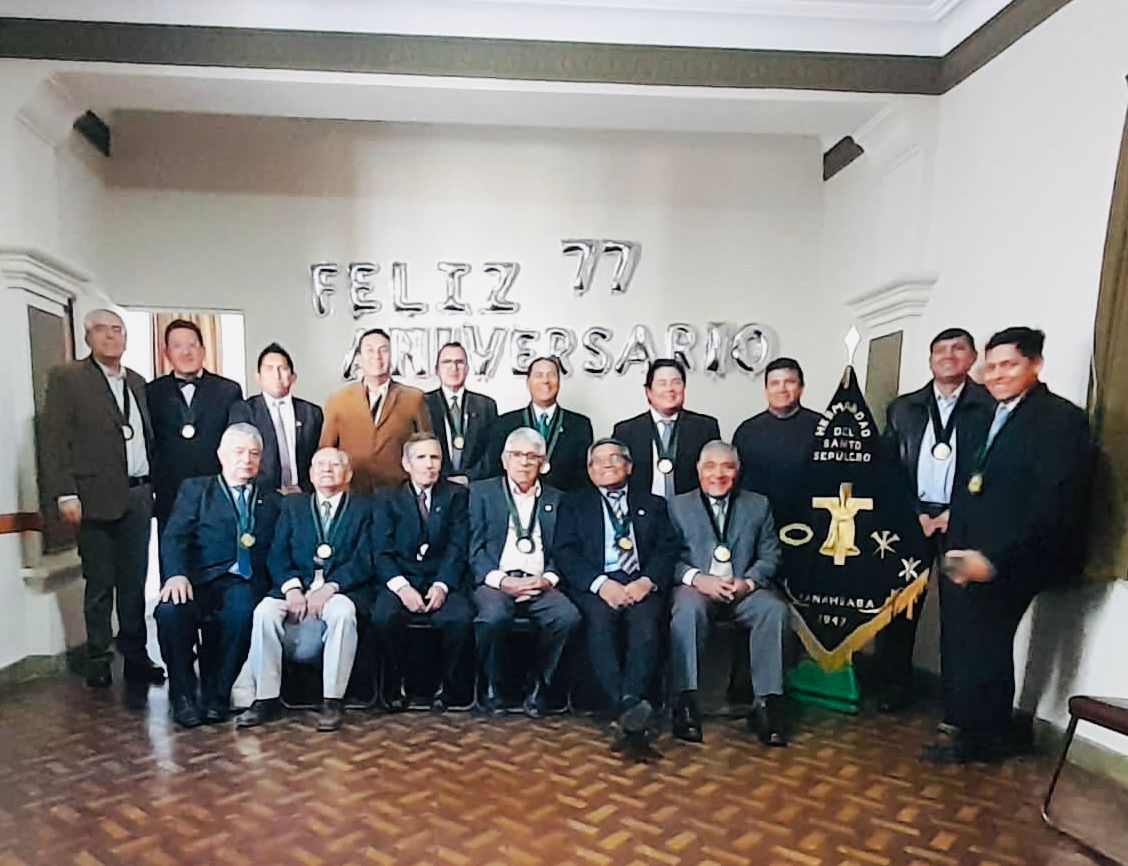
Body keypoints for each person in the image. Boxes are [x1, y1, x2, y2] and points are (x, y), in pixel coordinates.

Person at [926, 327, 1090, 764]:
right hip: (968, 548)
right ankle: (965, 727)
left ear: (1035, 364)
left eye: (1009, 365)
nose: (997, 375)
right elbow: (968, 485)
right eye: (992, 366)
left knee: (988, 643)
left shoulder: (1059, 420)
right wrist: (956, 546)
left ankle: (986, 740)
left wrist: (995, 560)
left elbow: (1050, 501)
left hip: (1017, 555)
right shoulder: (981, 415)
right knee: (965, 641)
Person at [42, 309, 164, 688]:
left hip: (139, 495)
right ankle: (97, 656)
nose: (112, 337)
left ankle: (136, 657)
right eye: (102, 331)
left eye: (118, 330)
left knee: (134, 582)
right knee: (100, 582)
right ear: (87, 337)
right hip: (92, 496)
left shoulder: (139, 382)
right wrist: (65, 493)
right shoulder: (68, 379)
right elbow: (54, 441)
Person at [876, 328, 994, 713]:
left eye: (958, 348)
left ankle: (955, 701)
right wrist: (914, 515)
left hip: (962, 523)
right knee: (900, 606)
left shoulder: (990, 407)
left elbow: (992, 471)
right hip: (914, 520)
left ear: (972, 357)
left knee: (961, 610)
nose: (948, 355)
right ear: (929, 360)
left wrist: (953, 513)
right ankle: (892, 687)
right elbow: (887, 471)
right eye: (939, 350)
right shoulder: (903, 408)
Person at [553, 438, 680, 748]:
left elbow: (667, 549)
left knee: (647, 627)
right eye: (599, 460)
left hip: (639, 582)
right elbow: (565, 552)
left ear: (630, 467)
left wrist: (646, 582)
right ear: (589, 469)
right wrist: (601, 584)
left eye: (615, 458)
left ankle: (627, 703)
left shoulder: (653, 504)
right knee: (599, 624)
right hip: (598, 583)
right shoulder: (573, 503)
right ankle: (627, 705)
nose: (608, 465)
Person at [236, 448, 373, 732]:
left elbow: (365, 559)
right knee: (264, 612)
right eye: (320, 464)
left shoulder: (364, 508)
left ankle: (332, 700)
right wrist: (293, 589)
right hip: (295, 588)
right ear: (310, 474)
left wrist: (331, 588)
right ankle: (266, 698)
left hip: (340, 589)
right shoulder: (293, 506)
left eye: (334, 465)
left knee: (344, 614)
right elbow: (277, 553)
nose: (327, 469)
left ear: (347, 474)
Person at [155, 423, 281, 728]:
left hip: (243, 580)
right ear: (221, 455)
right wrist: (175, 575)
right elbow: (174, 537)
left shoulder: (273, 498)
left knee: (242, 613)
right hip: (197, 579)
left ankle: (217, 696)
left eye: (253, 454)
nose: (246, 460)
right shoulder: (197, 489)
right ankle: (183, 695)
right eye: (238, 452)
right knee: (170, 612)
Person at [667, 441, 788, 745]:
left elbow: (771, 555)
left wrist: (748, 582)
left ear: (737, 471)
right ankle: (686, 703)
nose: (718, 474)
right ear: (698, 470)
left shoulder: (758, 504)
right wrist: (698, 579)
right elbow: (666, 559)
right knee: (687, 611)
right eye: (710, 466)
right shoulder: (676, 506)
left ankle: (766, 705)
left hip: (742, 590)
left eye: (727, 467)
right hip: (696, 589)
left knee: (774, 610)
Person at [469, 427, 581, 717]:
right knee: (493, 618)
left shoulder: (559, 499)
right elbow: (473, 548)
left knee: (567, 618)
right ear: (504, 460)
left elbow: (565, 550)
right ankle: (496, 686)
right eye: (517, 455)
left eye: (532, 457)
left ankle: (539, 684)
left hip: (541, 582)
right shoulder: (481, 493)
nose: (524, 462)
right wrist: (502, 581)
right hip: (496, 580)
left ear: (543, 464)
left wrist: (547, 580)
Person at [369, 433, 474, 711]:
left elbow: (458, 546)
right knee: (383, 618)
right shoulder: (386, 497)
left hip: (442, 578)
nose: (429, 465)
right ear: (406, 464)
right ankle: (397, 684)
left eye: (435, 457)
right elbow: (381, 550)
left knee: (459, 619)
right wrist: (402, 589)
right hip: (401, 578)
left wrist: (441, 585)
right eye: (421, 457)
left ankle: (446, 687)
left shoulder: (456, 495)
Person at [147, 318, 243, 530]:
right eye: (177, 346)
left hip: (216, 492)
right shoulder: (152, 392)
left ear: (203, 350)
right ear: (166, 353)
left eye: (192, 345)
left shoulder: (228, 390)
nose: (186, 352)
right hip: (170, 493)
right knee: (173, 557)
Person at [320, 328, 432, 494]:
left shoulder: (413, 398)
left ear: (392, 356)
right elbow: (326, 451)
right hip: (352, 493)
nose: (377, 357)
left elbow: (427, 447)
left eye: (383, 350)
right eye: (370, 350)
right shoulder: (338, 401)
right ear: (359, 358)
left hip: (399, 494)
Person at [612, 358, 720, 502]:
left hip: (691, 510)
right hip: (643, 512)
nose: (670, 389)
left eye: (676, 382)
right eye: (662, 383)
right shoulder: (626, 431)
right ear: (648, 391)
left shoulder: (705, 427)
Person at [732, 357, 821, 526]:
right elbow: (737, 485)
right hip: (758, 525)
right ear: (766, 389)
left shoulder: (822, 428)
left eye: (789, 382)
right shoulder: (746, 431)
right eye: (775, 383)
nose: (782, 389)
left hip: (810, 523)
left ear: (801, 388)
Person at [229, 342, 323, 494]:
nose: (276, 375)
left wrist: (304, 488)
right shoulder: (244, 410)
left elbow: (317, 456)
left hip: (303, 495)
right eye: (269, 368)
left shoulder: (311, 413)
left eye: (282, 368)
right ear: (258, 377)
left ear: (293, 377)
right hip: (259, 496)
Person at [488, 356, 594, 493]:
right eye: (539, 375)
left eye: (551, 375)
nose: (545, 381)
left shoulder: (580, 425)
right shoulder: (505, 424)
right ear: (528, 382)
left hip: (565, 504)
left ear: (559, 382)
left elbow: (584, 476)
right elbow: (495, 470)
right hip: (517, 503)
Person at [424, 341, 498, 485]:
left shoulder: (485, 406)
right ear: (437, 369)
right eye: (447, 362)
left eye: (459, 362)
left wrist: (468, 478)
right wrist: (443, 479)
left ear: (467, 368)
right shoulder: (424, 404)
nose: (454, 368)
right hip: (436, 486)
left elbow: (491, 453)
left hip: (475, 487)